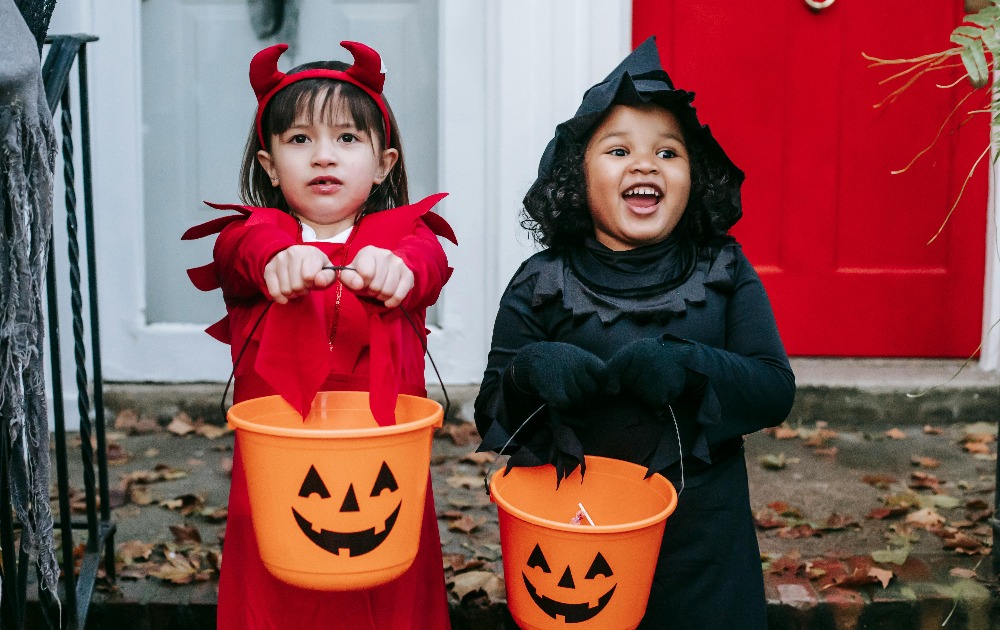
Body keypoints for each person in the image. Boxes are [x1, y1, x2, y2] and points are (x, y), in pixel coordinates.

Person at [474, 37, 794, 629]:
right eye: (618, 150)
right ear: (577, 175)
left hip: (703, 541)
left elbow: (774, 389)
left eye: (668, 153)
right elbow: (491, 410)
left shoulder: (723, 271)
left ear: (693, 177)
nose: (645, 165)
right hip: (576, 546)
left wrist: (693, 365)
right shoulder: (541, 282)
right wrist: (529, 372)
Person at [183, 41, 456, 629]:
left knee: (388, 597)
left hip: (382, 465)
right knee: (279, 599)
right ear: (269, 164)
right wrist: (279, 258)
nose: (323, 156)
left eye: (347, 139)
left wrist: (400, 271)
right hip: (286, 470)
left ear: (384, 163)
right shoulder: (251, 238)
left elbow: (426, 264)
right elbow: (243, 252)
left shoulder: (408, 240)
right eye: (300, 140)